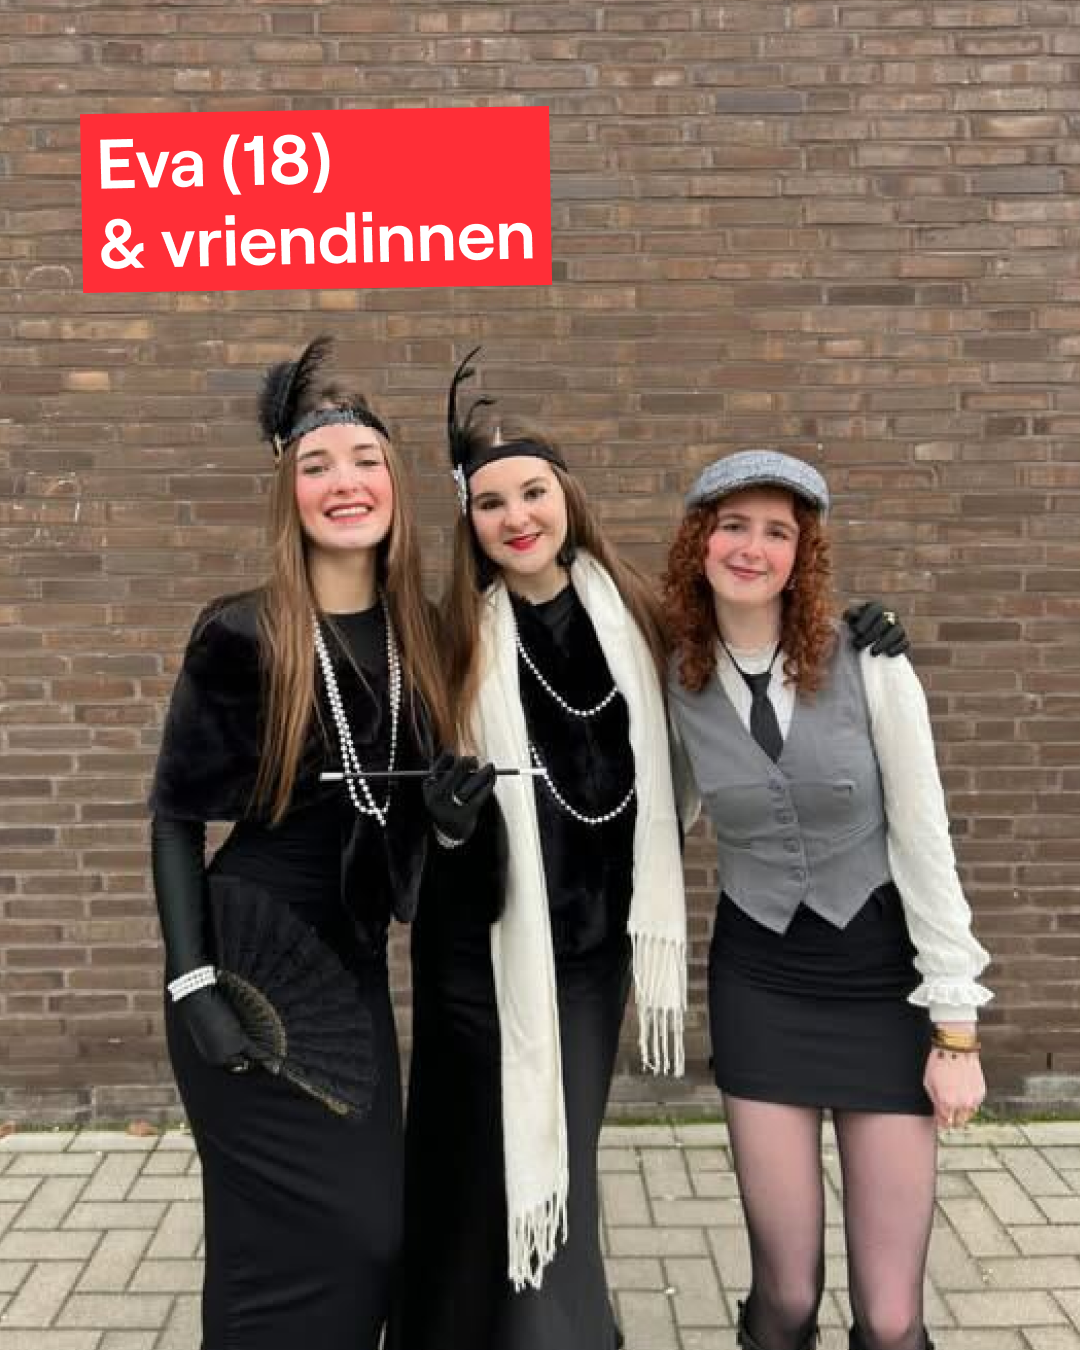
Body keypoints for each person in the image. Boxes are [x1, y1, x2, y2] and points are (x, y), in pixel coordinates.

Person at [147, 336, 493, 1350]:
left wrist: (451, 824)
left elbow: (408, 828)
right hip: (244, 967)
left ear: (395, 485)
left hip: (350, 974)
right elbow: (175, 818)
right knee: (271, 1245)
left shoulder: (427, 635)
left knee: (375, 1242)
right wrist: (192, 986)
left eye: (365, 461)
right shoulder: (241, 634)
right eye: (317, 466)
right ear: (288, 494)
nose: (345, 483)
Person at [662, 450, 992, 1350]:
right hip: (761, 982)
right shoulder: (676, 676)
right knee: (787, 1297)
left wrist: (955, 1029)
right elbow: (662, 814)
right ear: (699, 541)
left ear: (801, 554)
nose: (752, 548)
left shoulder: (869, 661)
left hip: (882, 982)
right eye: (733, 526)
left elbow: (925, 841)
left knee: (891, 1317)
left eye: (778, 532)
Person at [398, 349, 689, 1350]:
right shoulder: (452, 640)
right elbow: (425, 837)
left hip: (595, 959)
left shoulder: (637, 614)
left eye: (533, 493)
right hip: (489, 958)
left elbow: (749, 649)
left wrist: (858, 634)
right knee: (492, 1167)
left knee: (561, 1151)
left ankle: (564, 1328)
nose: (516, 517)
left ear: (566, 497)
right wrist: (448, 822)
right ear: (469, 521)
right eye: (491, 503)